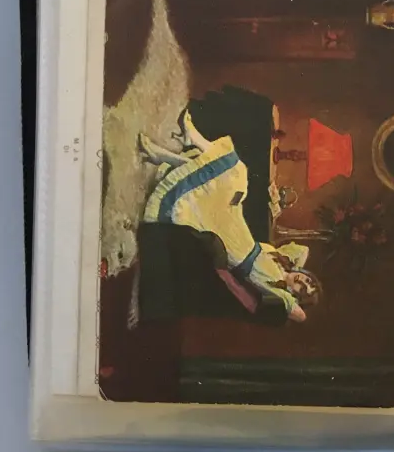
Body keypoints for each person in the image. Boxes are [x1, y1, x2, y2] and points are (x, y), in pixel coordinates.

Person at [138, 108, 322, 323]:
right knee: (233, 177)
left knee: (215, 187)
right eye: (308, 280)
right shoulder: (282, 261)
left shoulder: (278, 292)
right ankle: (178, 145)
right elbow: (303, 250)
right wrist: (296, 271)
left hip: (231, 244)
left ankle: (176, 146)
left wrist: (295, 293)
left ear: (295, 296)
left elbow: (300, 317)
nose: (303, 282)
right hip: (237, 228)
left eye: (303, 289)